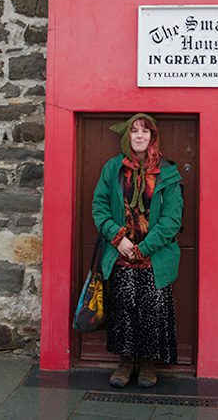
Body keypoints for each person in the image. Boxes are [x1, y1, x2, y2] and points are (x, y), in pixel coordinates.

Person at [91, 113, 184, 389]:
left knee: (153, 310)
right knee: (124, 308)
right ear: (127, 137)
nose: (140, 136)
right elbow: (100, 207)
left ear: (152, 136)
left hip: (154, 256)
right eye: (134, 131)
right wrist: (117, 238)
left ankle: (147, 364)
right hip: (122, 254)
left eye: (145, 131)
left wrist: (144, 248)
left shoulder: (167, 172)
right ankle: (126, 362)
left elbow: (171, 219)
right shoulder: (113, 169)